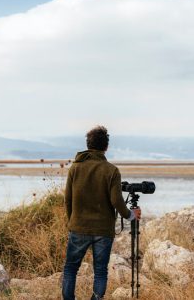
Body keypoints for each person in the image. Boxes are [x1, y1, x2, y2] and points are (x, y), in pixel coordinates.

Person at [62, 126, 142, 300]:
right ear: (106, 147)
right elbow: (116, 201)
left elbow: (67, 199)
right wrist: (131, 215)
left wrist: (72, 221)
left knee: (70, 269)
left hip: (78, 227)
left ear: (88, 145)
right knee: (100, 272)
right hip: (103, 230)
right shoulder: (111, 170)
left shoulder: (75, 168)